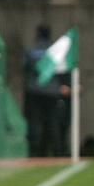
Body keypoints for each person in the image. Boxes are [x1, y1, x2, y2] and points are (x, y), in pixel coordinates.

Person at [23, 24, 71, 157]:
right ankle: (57, 150)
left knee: (35, 121)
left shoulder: (31, 51)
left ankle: (34, 151)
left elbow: (26, 68)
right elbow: (63, 70)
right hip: (52, 92)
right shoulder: (54, 51)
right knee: (53, 122)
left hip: (34, 90)